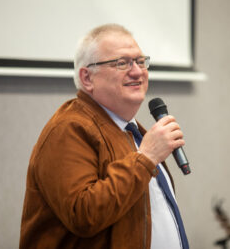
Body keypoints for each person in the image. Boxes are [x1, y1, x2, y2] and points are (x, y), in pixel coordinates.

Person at [20, 23, 189, 249]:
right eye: (122, 63)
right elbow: (83, 215)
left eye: (140, 61)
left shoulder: (131, 130)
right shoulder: (68, 129)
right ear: (87, 78)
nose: (138, 71)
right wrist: (146, 158)